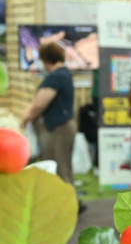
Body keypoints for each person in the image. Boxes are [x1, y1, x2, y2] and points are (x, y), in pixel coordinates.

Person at [21, 42, 84, 212]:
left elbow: (39, 104)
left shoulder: (56, 77)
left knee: (59, 169)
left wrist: (26, 117)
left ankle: (70, 208)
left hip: (57, 129)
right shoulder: (64, 75)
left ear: (46, 59)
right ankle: (72, 205)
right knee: (64, 167)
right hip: (62, 127)